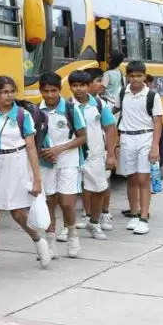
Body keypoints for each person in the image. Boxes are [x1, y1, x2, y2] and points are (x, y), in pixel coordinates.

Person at [0, 75, 48, 271]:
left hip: (17, 164)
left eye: (11, 91)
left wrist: (37, 179)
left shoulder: (23, 115)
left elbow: (31, 148)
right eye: (4, 92)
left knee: (17, 212)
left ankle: (38, 239)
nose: (9, 95)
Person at [37, 72, 87, 257]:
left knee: (67, 204)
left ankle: (73, 235)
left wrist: (59, 149)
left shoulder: (71, 109)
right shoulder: (35, 111)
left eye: (53, 91)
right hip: (46, 163)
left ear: (60, 90)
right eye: (46, 91)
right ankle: (50, 242)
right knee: (49, 202)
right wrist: (44, 152)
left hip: (69, 161)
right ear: (40, 90)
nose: (49, 95)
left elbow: (83, 137)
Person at [69, 69, 117, 240]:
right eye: (74, 86)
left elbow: (110, 129)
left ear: (88, 86)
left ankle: (94, 223)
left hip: (95, 155)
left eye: (82, 85)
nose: (79, 89)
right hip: (72, 157)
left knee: (99, 190)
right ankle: (68, 227)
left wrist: (110, 154)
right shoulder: (67, 106)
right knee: (68, 194)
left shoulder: (98, 105)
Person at [116, 60, 163, 235]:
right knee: (132, 179)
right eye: (132, 76)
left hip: (146, 137)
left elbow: (158, 123)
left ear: (145, 76)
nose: (135, 79)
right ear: (127, 77)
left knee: (144, 180)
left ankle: (144, 218)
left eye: (139, 75)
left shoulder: (152, 96)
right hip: (127, 138)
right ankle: (134, 213)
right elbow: (116, 114)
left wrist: (155, 146)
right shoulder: (122, 93)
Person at [87, 67, 117, 230]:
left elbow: (110, 129)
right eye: (98, 81)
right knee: (86, 185)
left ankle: (104, 214)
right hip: (82, 152)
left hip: (100, 150)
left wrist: (111, 153)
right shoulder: (71, 104)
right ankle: (89, 215)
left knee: (103, 182)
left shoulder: (101, 103)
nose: (102, 85)